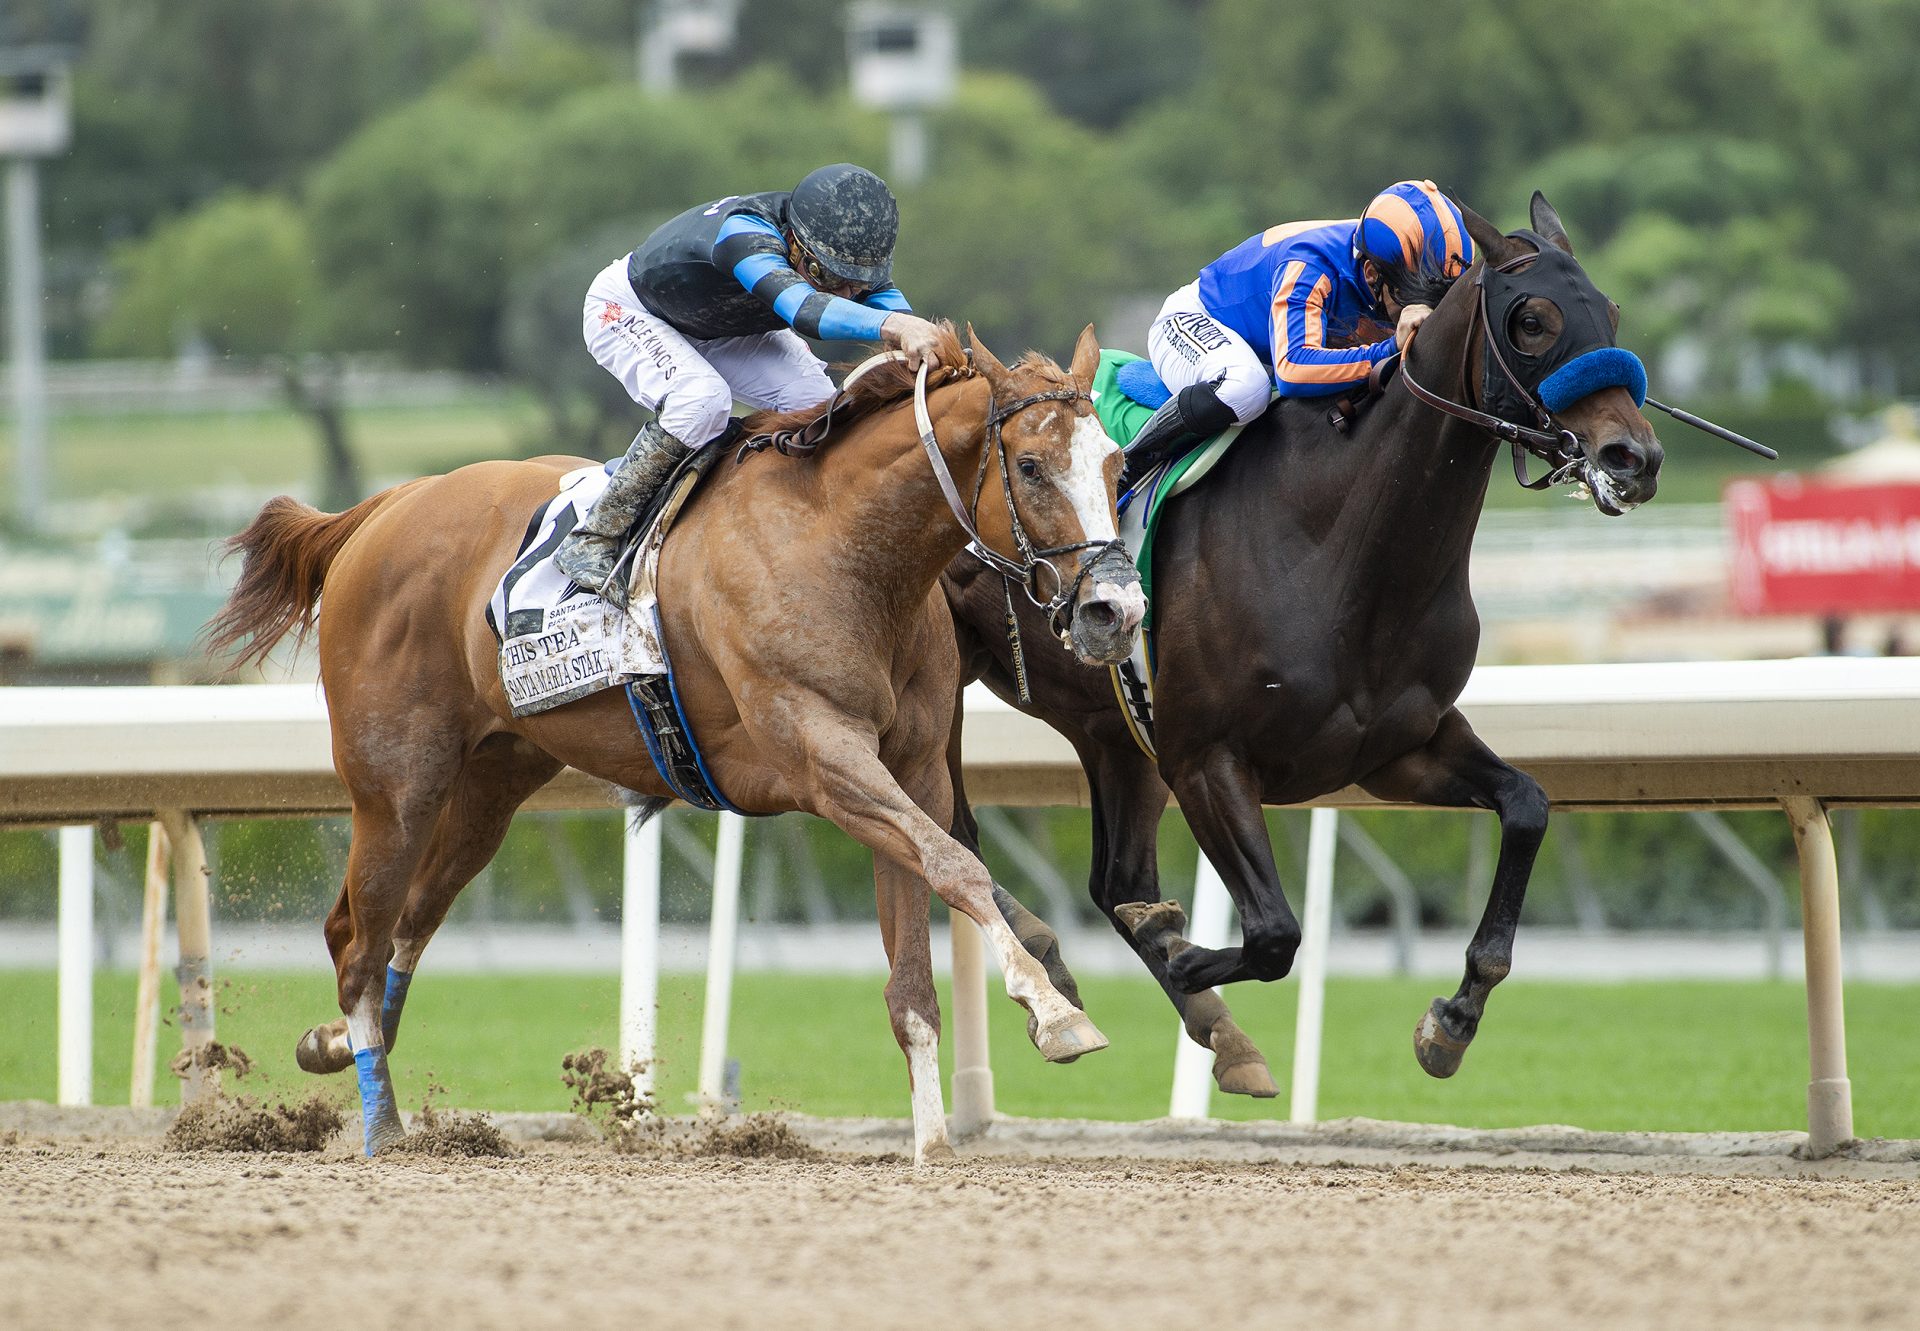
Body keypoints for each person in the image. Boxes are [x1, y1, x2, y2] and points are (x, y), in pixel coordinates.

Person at [558, 163, 947, 600]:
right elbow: (807, 312)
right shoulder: (744, 232)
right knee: (702, 401)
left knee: (818, 404)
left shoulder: (837, 257)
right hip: (631, 310)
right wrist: (895, 325)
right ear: (794, 242)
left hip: (721, 326)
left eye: (855, 285)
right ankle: (594, 535)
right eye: (826, 276)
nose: (843, 294)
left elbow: (908, 325)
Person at [1120, 179, 1475, 488]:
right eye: (1411, 301)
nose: (1419, 314)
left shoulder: (1391, 262)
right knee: (1247, 388)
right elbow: (1293, 371)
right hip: (1193, 322)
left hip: (1264, 345)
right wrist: (1388, 349)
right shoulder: (1309, 263)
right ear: (1371, 274)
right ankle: (1129, 464)